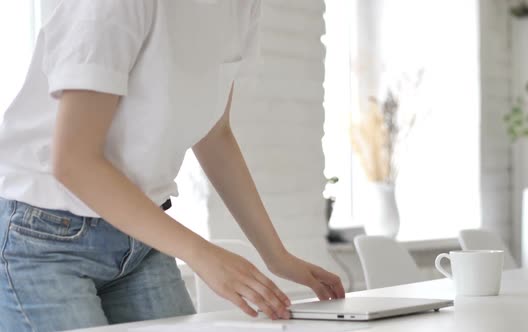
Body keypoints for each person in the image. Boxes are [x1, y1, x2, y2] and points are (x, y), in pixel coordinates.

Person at [0, 1, 345, 331]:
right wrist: (201, 253)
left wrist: (277, 256)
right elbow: (74, 161)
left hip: (140, 236)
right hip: (44, 238)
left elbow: (216, 134)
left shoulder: (244, 5)